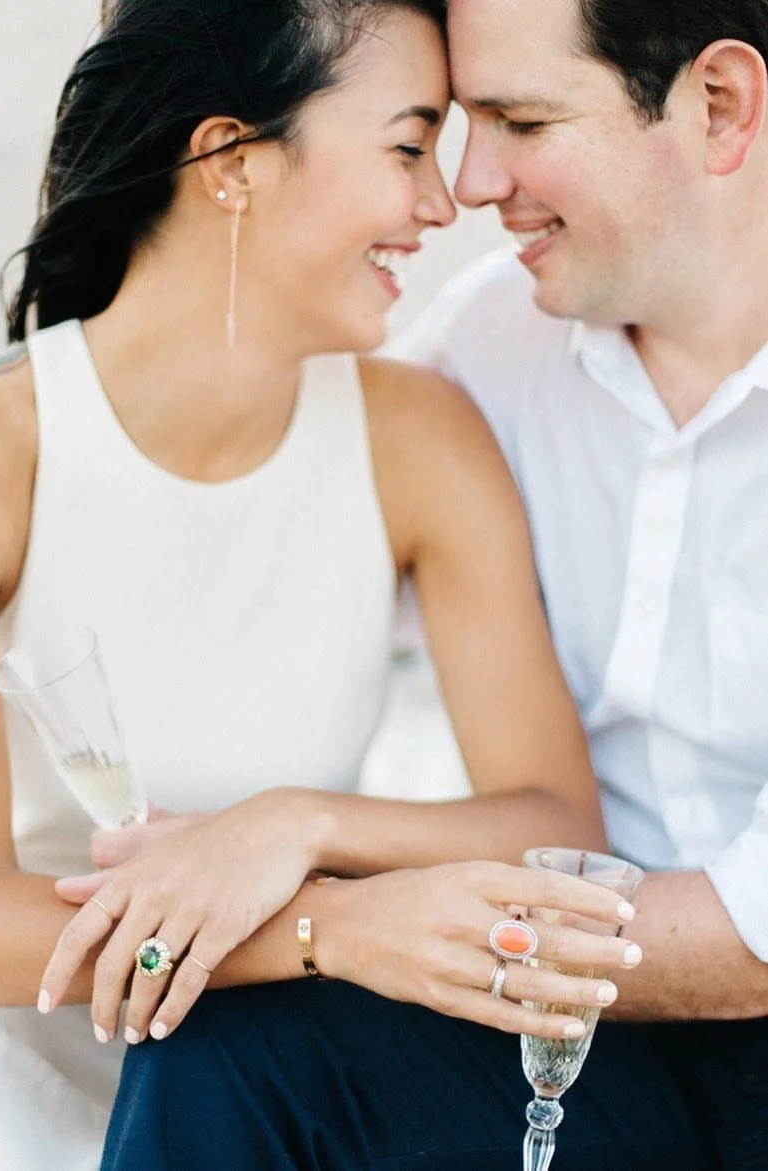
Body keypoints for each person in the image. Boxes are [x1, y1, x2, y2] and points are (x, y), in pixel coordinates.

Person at [0, 1, 642, 1168]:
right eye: (408, 146)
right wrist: (330, 923)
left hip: (225, 1030)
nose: (442, 201)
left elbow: (552, 821)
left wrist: (292, 827)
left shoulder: (421, 439)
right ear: (230, 160)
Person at [94, 0, 768, 1167]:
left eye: (522, 121)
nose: (469, 182)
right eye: (460, 124)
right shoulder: (489, 344)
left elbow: (746, 949)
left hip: (683, 970)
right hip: (599, 1030)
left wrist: (359, 918)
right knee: (226, 1047)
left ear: (718, 105)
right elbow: (257, 529)